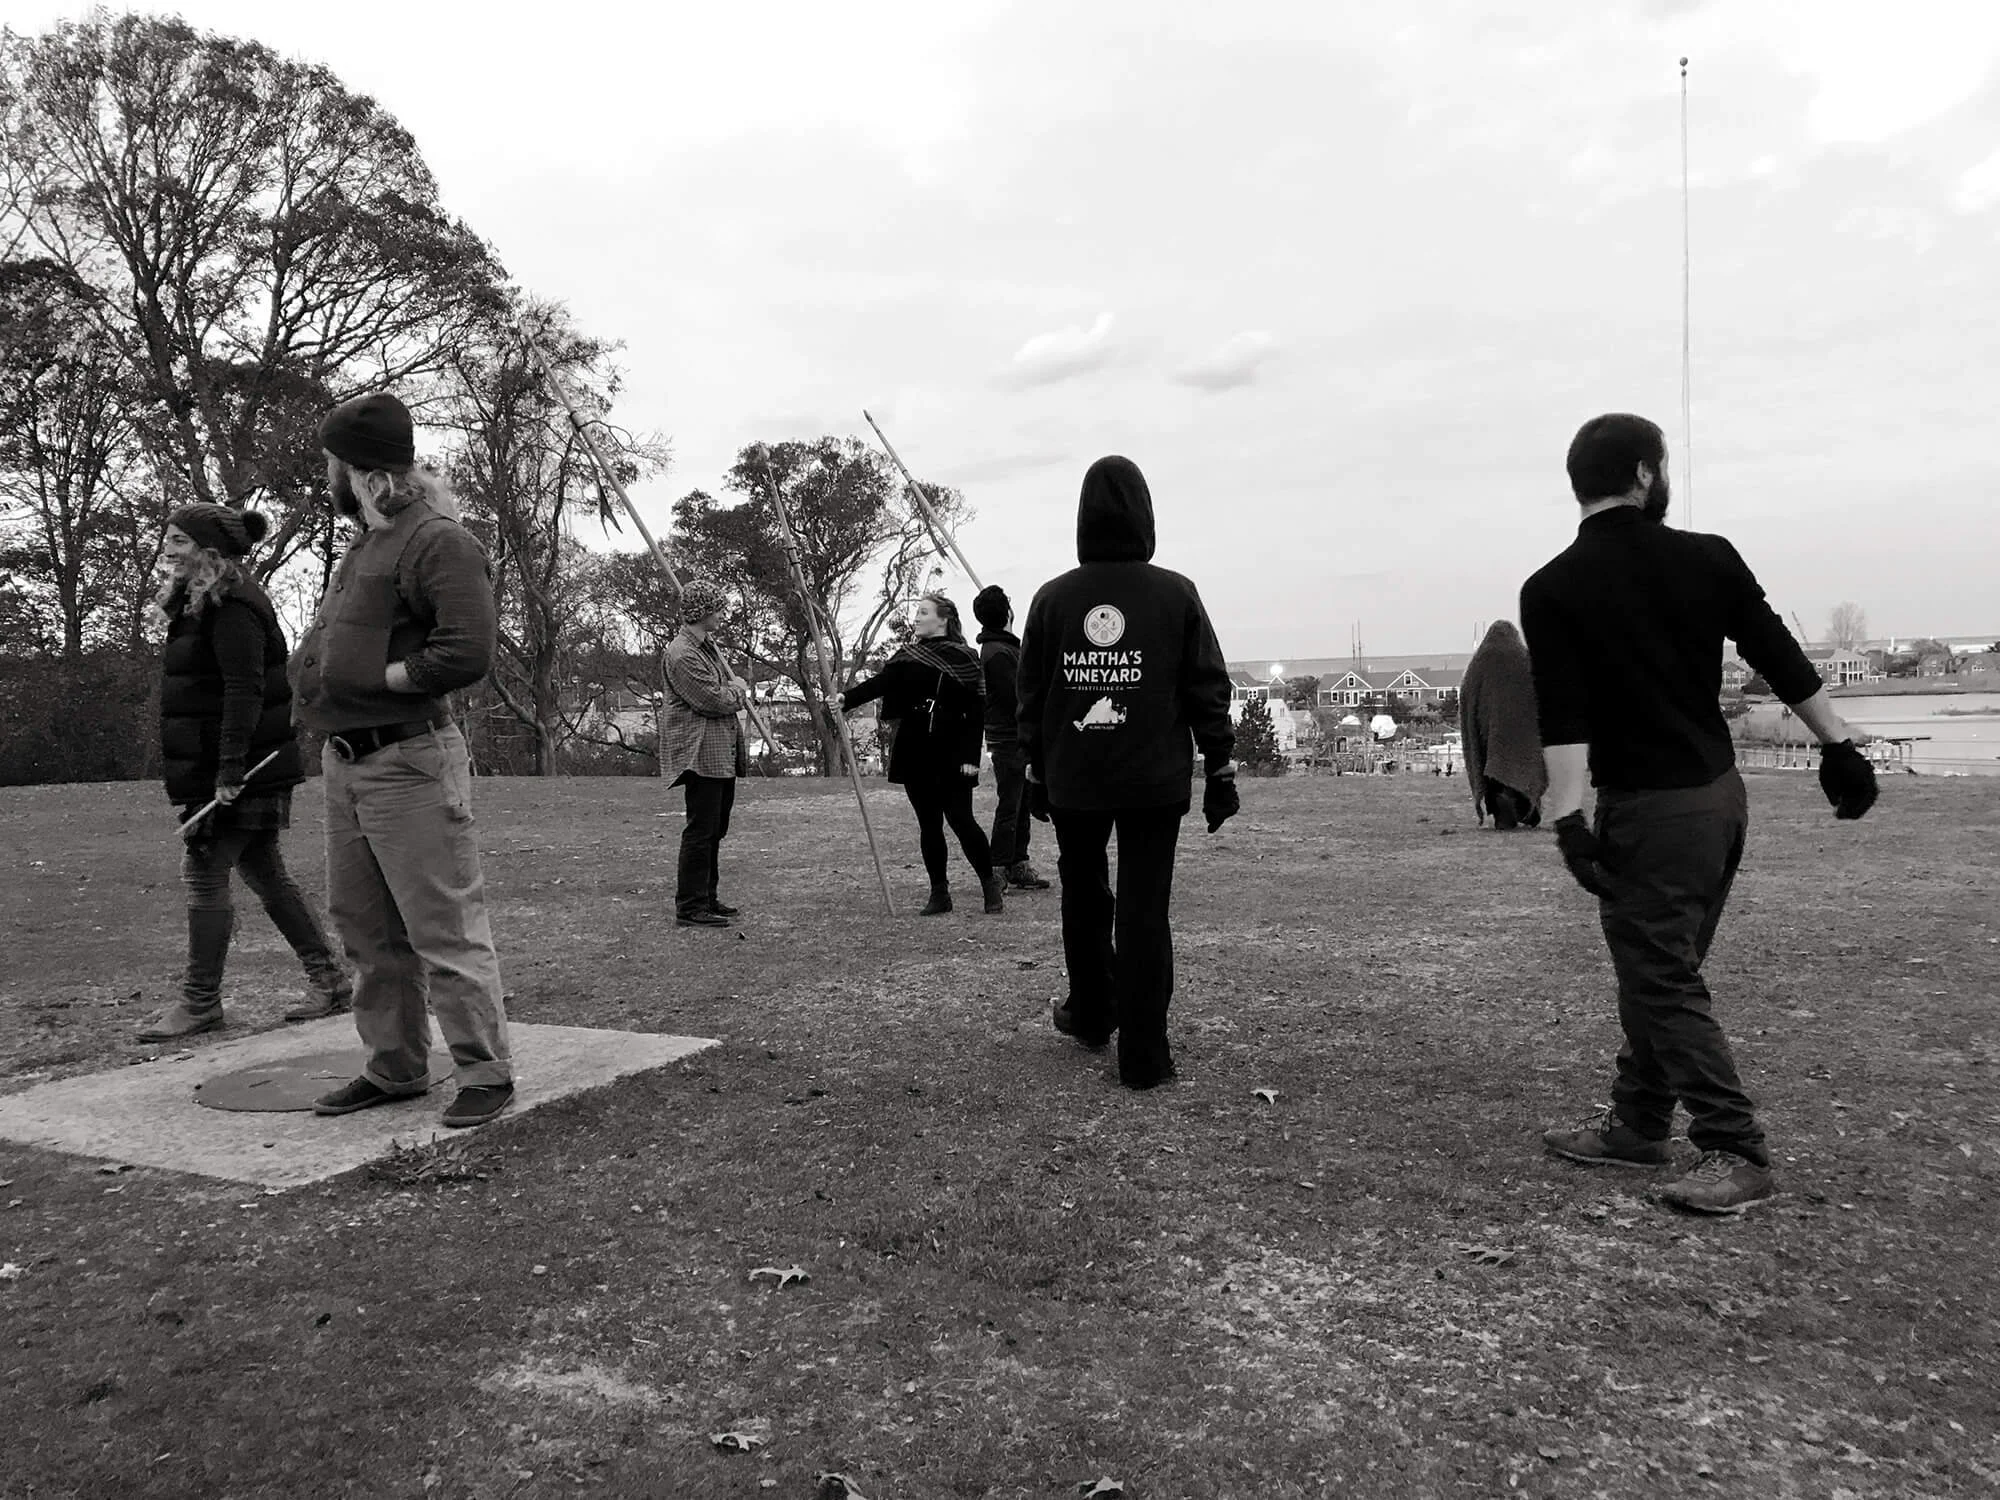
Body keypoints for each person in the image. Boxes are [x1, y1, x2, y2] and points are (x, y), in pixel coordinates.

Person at [1521, 412, 1878, 1215]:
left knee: (1660, 975)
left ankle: (1734, 1147)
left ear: (1580, 484)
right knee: (1663, 969)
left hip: (1649, 810)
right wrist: (1837, 745)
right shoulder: (1709, 557)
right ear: (1645, 474)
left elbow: (1563, 712)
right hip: (1718, 799)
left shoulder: (1551, 587)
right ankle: (1639, 1124)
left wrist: (1568, 816)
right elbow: (1778, 654)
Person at [291, 391, 515, 1129]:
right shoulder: (367, 541)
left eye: (331, 463)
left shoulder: (439, 541)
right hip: (346, 764)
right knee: (366, 927)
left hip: (411, 761)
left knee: (442, 927)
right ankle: (395, 1066)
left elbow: (466, 651)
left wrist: (379, 679)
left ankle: (484, 1070)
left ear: (361, 470)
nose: (325, 475)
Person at [1015, 455, 1239, 1090]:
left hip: (1075, 775)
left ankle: (1091, 1013)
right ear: (1145, 516)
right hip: (1153, 777)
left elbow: (1033, 694)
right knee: (1145, 909)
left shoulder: (1053, 598)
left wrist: (1035, 767)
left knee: (1084, 896)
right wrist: (1219, 764)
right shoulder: (1175, 593)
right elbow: (1205, 684)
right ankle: (1144, 1054)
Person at [135, 505, 351, 1041]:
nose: (167, 549)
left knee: (204, 868)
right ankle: (330, 981)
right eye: (167, 538)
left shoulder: (232, 607)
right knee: (264, 871)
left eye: (179, 540)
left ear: (208, 550)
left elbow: (245, 689)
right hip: (228, 766)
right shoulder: (201, 602)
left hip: (242, 769)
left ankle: (201, 1001)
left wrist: (230, 769)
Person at [841, 593, 1003, 916]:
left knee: (961, 820)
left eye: (924, 612)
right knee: (929, 824)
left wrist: (971, 760)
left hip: (953, 750)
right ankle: (939, 893)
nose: (916, 617)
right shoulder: (908, 656)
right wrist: (846, 699)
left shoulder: (964, 658)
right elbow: (880, 684)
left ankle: (990, 885)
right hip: (915, 749)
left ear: (943, 620)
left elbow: (976, 714)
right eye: (917, 612)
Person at [660, 577, 751, 928]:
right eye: (717, 609)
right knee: (701, 831)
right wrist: (738, 691)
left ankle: (708, 898)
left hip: (718, 753)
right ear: (701, 612)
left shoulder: (705, 647)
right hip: (699, 755)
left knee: (715, 829)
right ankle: (690, 907)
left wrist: (730, 688)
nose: (722, 615)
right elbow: (711, 699)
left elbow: (717, 691)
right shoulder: (682, 654)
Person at [971, 584, 1049, 891]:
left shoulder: (1004, 649)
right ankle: (999, 865)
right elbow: (1015, 697)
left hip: (1016, 737)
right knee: (1011, 803)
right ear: (1007, 613)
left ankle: (1018, 862)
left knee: (1022, 800)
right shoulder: (997, 653)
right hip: (1008, 739)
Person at [1460, 619, 1546, 829]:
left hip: (1488, 730)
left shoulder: (1479, 663)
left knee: (1493, 767)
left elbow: (1467, 695)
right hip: (1522, 730)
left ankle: (1502, 806)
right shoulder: (1524, 659)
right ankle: (1521, 804)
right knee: (1521, 765)